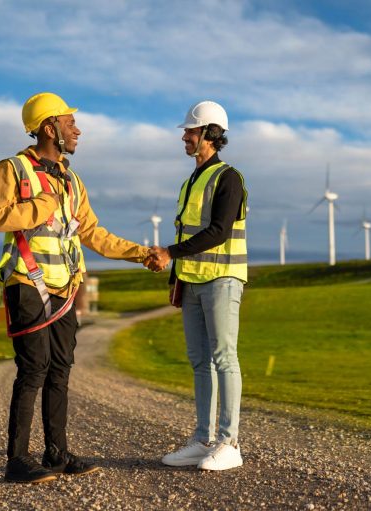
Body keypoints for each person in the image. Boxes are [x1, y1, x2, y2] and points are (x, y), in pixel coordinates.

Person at [0, 92, 152, 483]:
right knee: (33, 368)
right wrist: (40, 206)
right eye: (70, 122)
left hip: (66, 289)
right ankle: (17, 460)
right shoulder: (13, 169)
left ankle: (56, 453)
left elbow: (92, 233)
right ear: (48, 128)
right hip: (28, 282)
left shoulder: (72, 180)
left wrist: (142, 253)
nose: (78, 129)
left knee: (60, 368)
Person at [147, 100, 248, 471]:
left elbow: (218, 231)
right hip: (191, 282)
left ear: (210, 134)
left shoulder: (229, 178)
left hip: (222, 279)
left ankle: (229, 442)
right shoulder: (191, 180)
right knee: (199, 362)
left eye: (190, 132)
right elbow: (187, 229)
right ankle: (203, 439)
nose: (185, 138)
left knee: (224, 358)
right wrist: (175, 276)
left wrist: (169, 253)